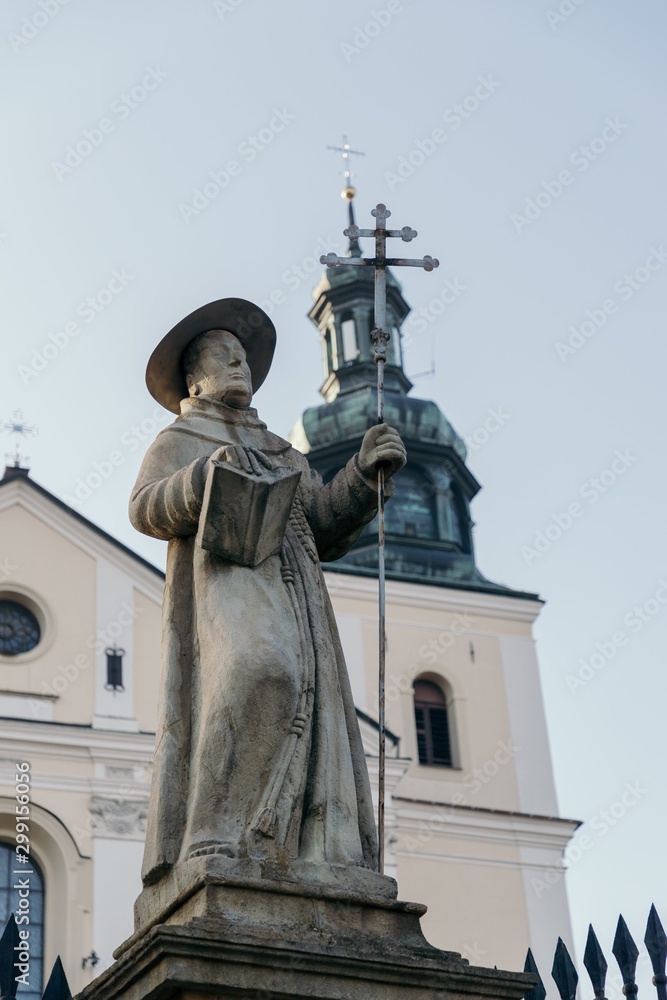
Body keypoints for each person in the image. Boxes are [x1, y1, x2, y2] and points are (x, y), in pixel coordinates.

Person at [130, 298, 406, 887]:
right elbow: (144, 508)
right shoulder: (180, 437)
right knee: (256, 669)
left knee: (312, 697)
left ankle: (306, 847)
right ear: (194, 377)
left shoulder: (281, 447)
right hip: (228, 584)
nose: (239, 366)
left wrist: (362, 474)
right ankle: (212, 834)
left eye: (244, 359)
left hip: (298, 590)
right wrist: (205, 476)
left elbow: (325, 524)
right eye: (222, 357)